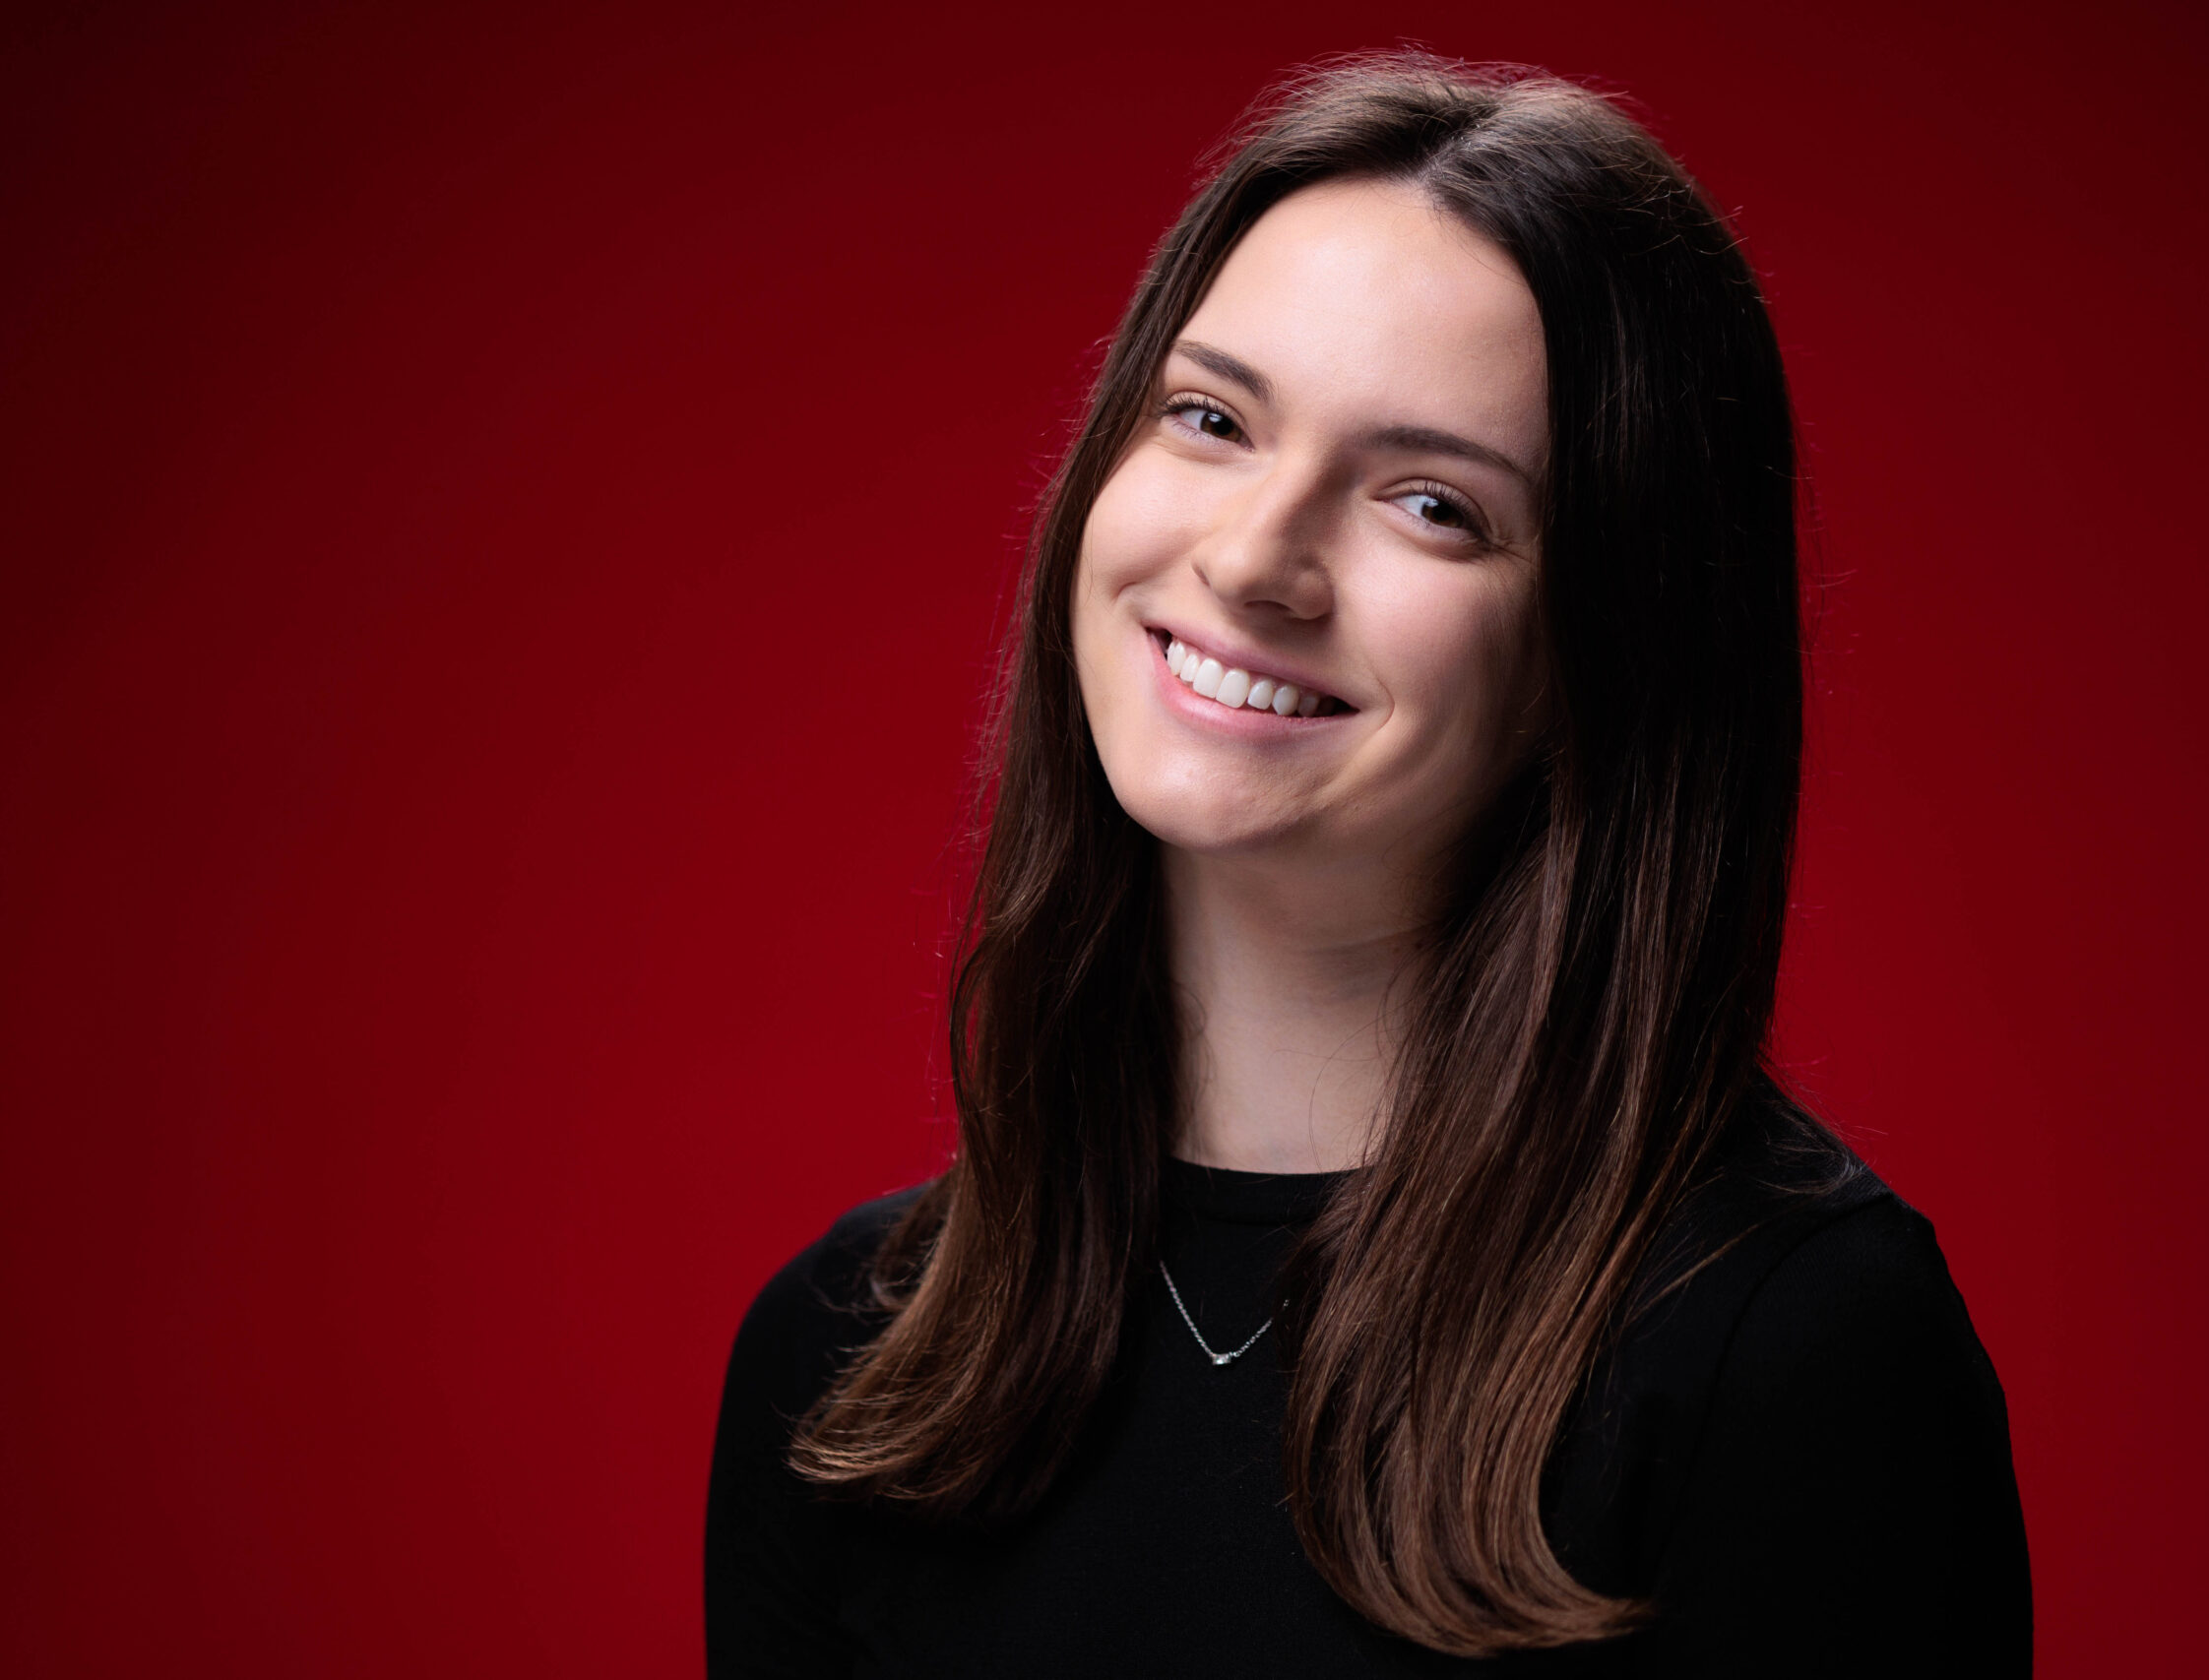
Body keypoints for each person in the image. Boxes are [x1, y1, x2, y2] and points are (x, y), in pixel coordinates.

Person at [705, 52, 2031, 1675]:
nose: (1257, 558)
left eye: (1430, 505)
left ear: (1606, 651)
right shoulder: (846, 1360)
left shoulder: (1795, 1350)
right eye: (1211, 419)